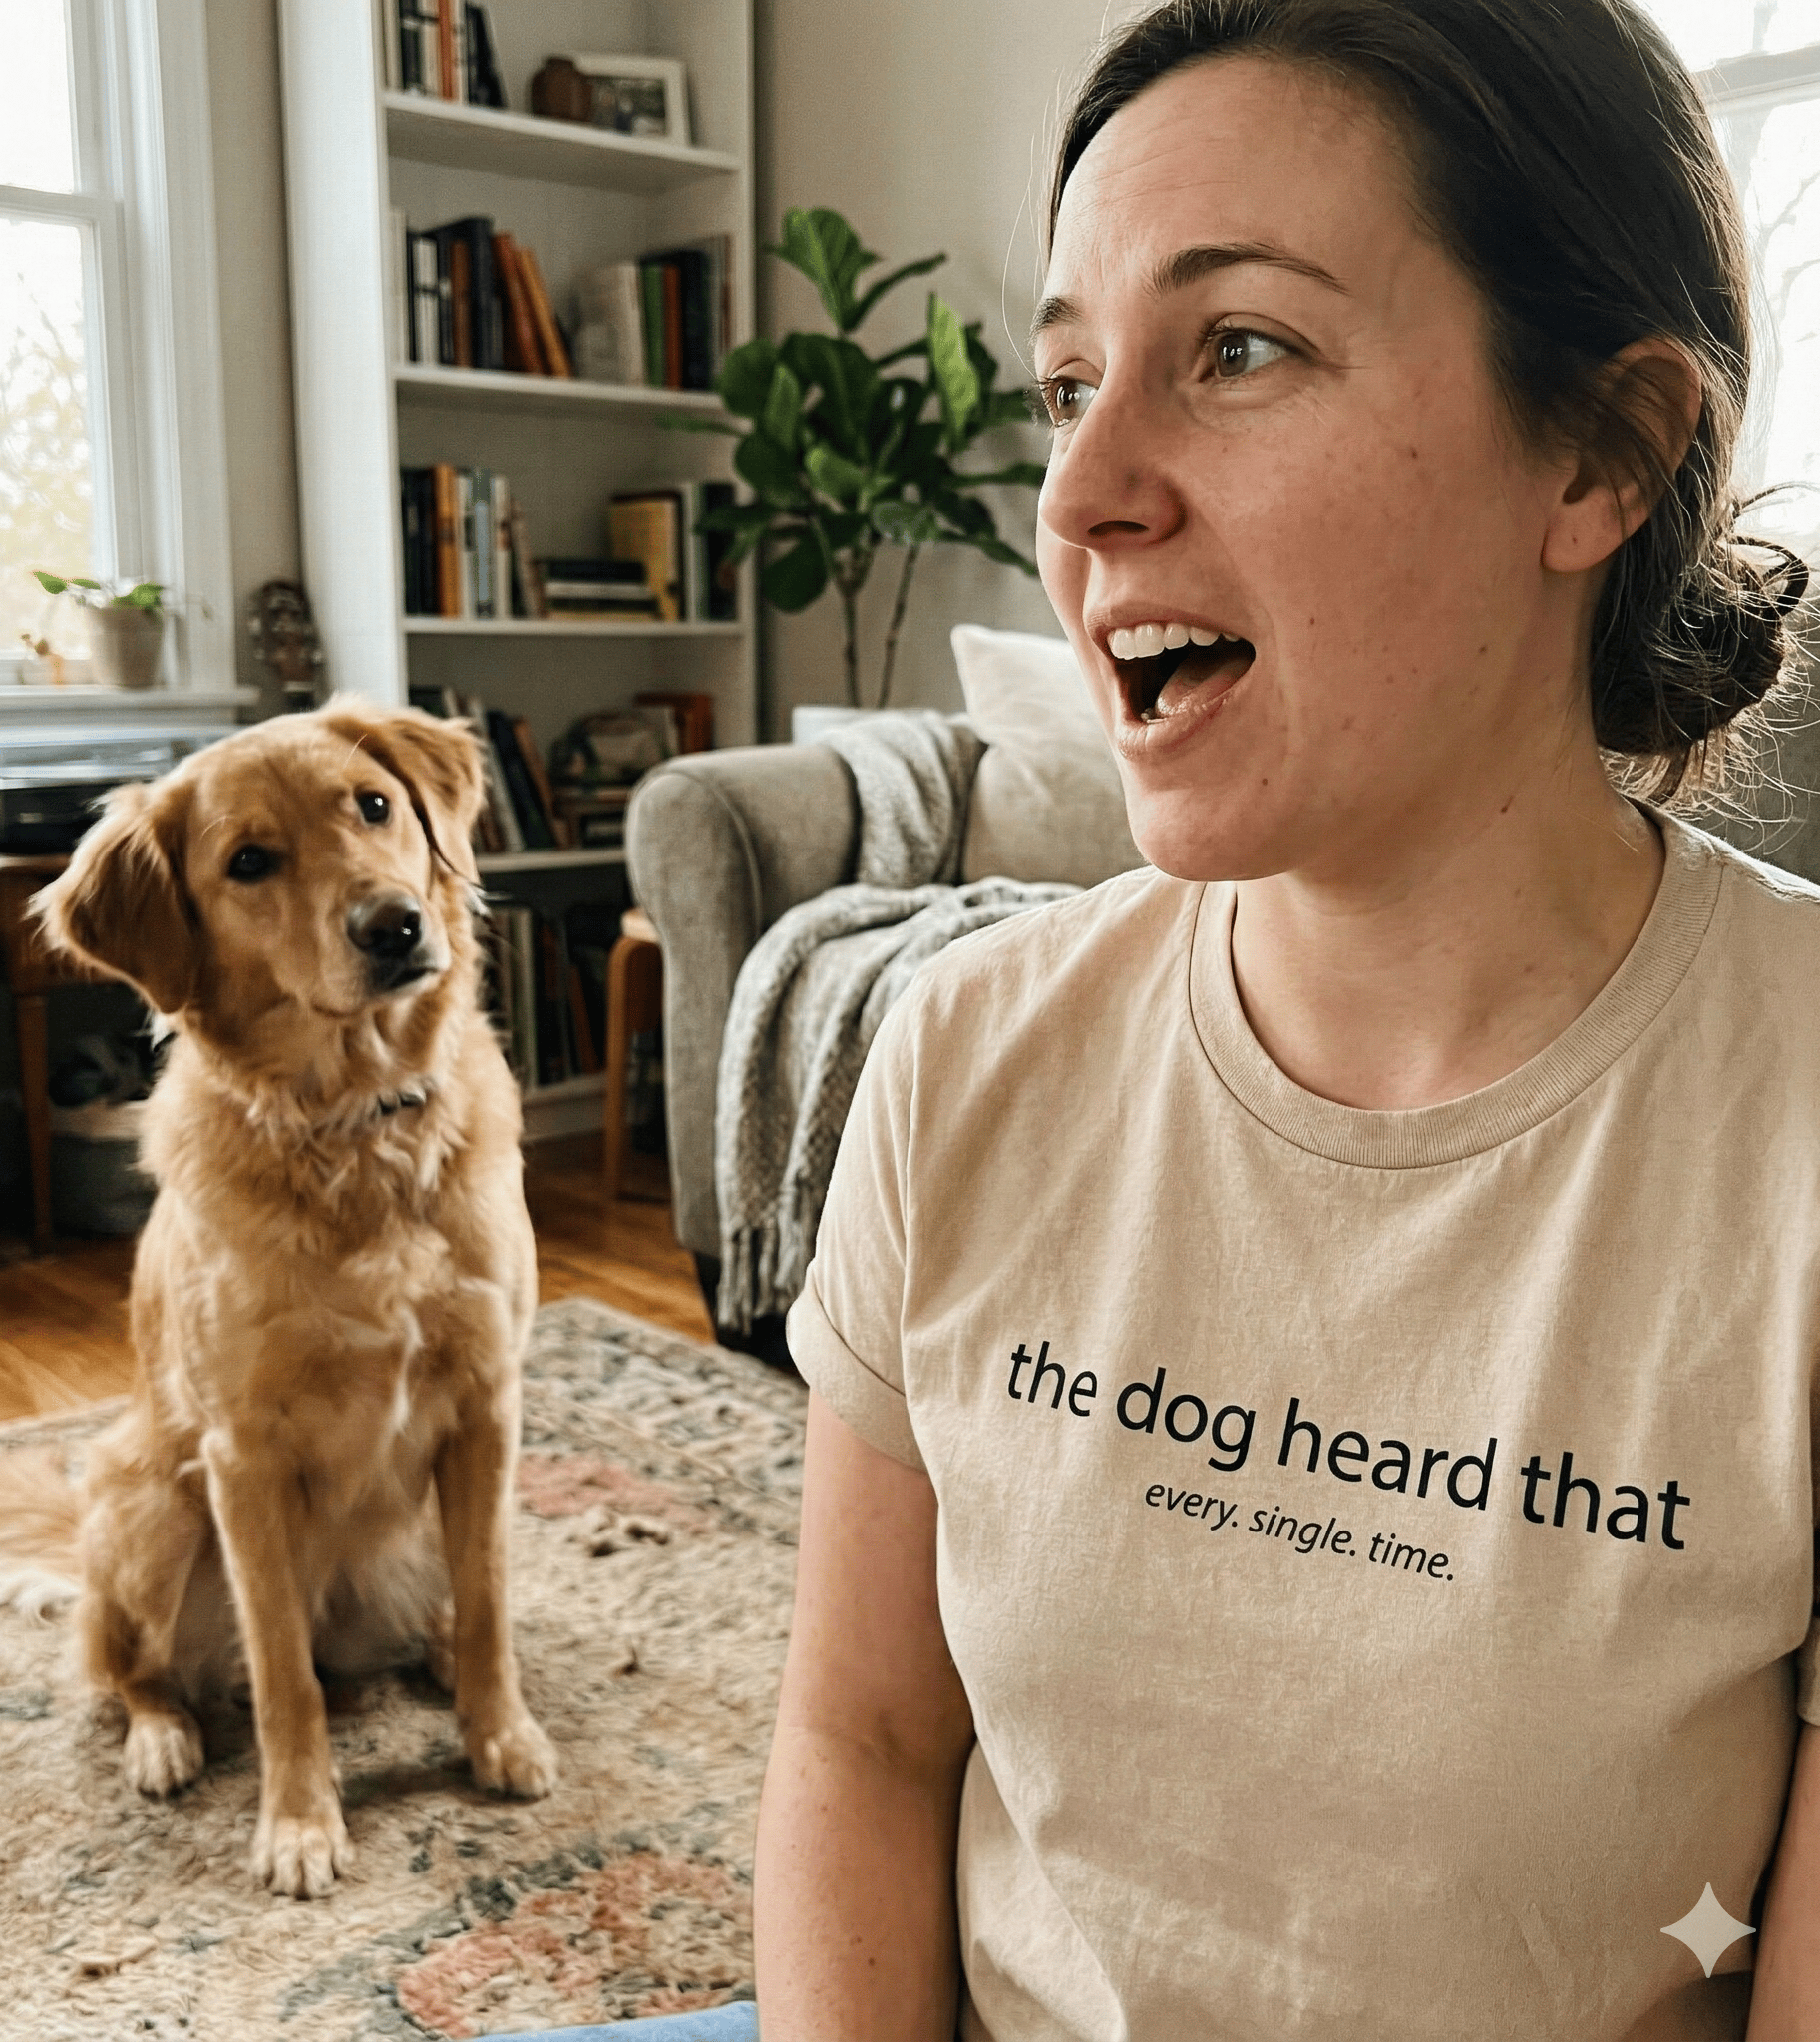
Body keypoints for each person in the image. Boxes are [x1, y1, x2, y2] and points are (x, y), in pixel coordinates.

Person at [752, 2, 1818, 2037]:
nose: (1079, 496)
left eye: (1237, 346)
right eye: (1069, 382)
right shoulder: (958, 1058)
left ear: (1604, 448)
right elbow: (866, 1751)